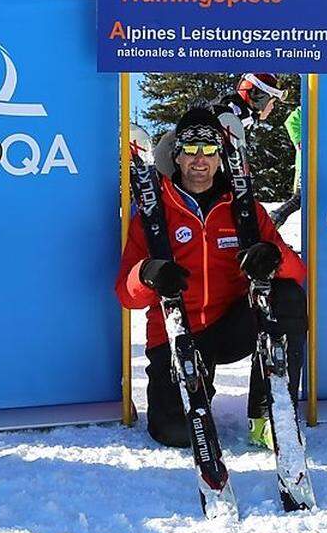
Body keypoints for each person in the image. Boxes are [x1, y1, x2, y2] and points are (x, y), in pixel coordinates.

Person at [116, 107, 307, 449]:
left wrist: (272, 258)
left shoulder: (244, 208)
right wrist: (148, 274)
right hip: (175, 333)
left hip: (230, 326)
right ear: (177, 156)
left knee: (288, 297)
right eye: (190, 150)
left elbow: (297, 272)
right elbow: (126, 295)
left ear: (221, 156)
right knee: (175, 433)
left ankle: (269, 413)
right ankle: (197, 385)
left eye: (209, 150)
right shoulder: (154, 212)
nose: (199, 160)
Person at [214, 73, 284, 130]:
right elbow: (220, 117)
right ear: (259, 96)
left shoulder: (247, 116)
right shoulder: (234, 108)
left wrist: (254, 118)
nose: (272, 107)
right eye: (271, 102)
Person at [269, 106, 302, 228]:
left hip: (323, 164)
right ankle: (271, 222)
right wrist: (299, 140)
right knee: (300, 197)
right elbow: (291, 120)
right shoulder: (312, 104)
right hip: (306, 164)